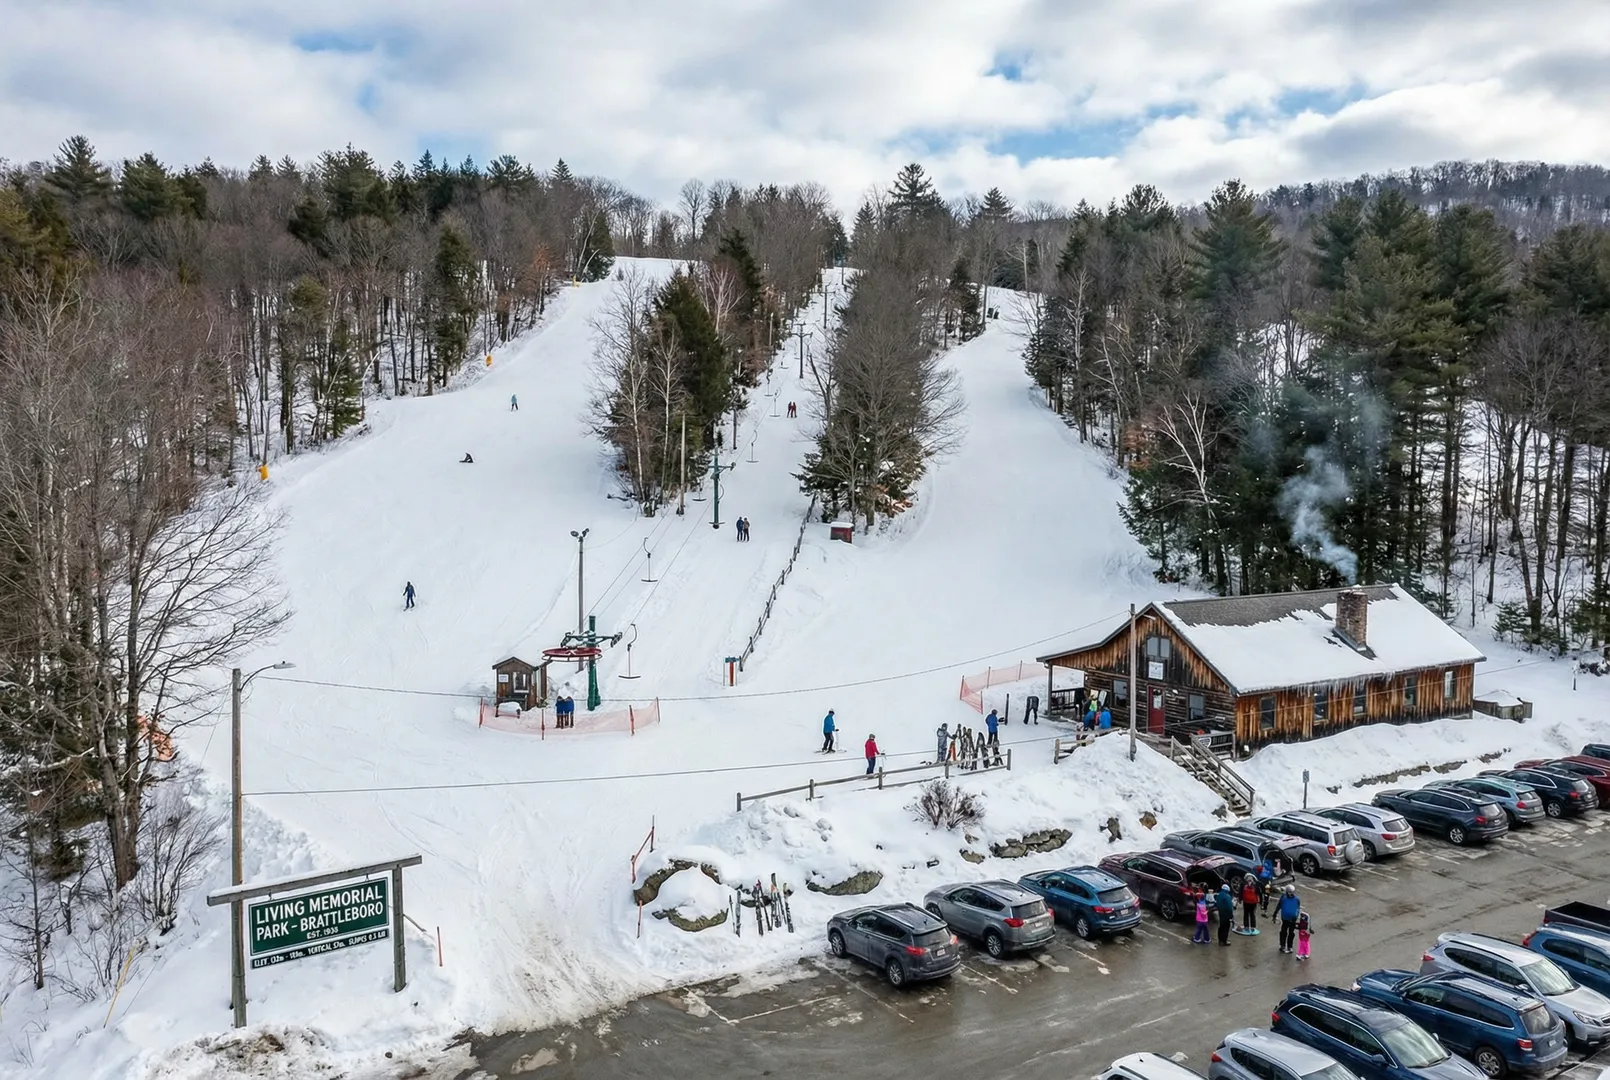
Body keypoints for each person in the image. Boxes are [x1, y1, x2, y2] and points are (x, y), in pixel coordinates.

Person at [1277, 885, 1301, 954]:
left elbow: (1298, 908)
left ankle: (1290, 946)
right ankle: (1282, 945)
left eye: (1292, 892)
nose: (1290, 894)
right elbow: (1279, 906)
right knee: (1283, 932)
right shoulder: (1283, 898)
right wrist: (1275, 914)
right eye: (1289, 892)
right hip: (1285, 919)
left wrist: (1297, 916)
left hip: (1293, 919)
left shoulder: (1296, 899)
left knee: (1291, 933)